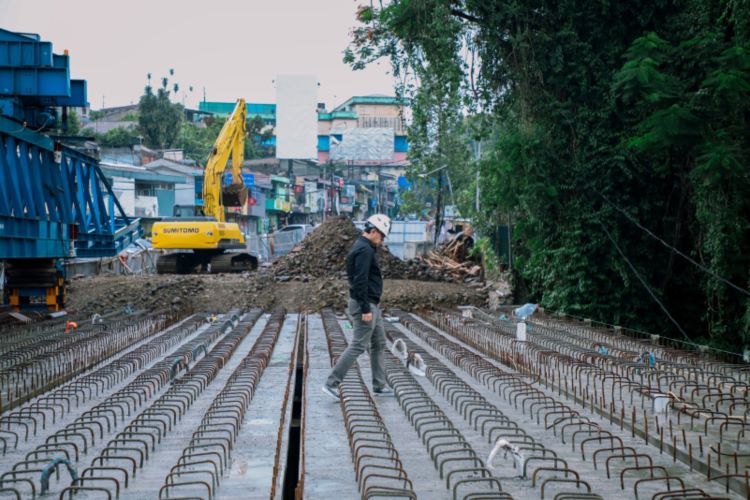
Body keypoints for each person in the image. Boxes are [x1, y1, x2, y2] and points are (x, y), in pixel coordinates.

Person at [323, 214, 394, 400]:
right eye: (382, 235)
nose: (382, 240)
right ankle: (331, 383)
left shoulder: (365, 247)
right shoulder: (364, 250)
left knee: (379, 343)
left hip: (372, 304)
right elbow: (359, 281)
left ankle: (379, 385)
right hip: (365, 304)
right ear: (373, 231)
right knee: (358, 345)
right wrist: (365, 309)